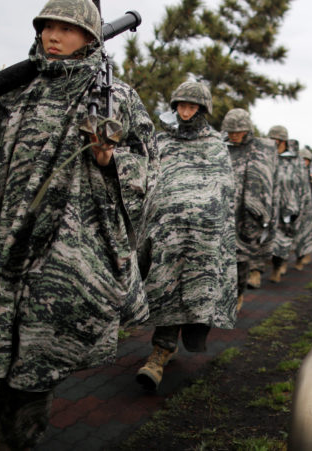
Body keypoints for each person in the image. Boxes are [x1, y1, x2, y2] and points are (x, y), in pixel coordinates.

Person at [0, 0, 156, 451]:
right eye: (46, 26)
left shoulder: (116, 98)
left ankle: (15, 441)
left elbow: (147, 167)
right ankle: (10, 436)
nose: (53, 36)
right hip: (3, 249)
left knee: (35, 364)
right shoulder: (15, 91)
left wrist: (108, 159)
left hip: (65, 255)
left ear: (91, 35)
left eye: (67, 28)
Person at [136, 80, 237, 391]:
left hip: (202, 238)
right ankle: (160, 350)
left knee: (194, 291)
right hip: (167, 234)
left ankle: (173, 345)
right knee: (165, 287)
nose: (185, 111)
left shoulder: (216, 147)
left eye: (192, 106)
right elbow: (150, 182)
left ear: (202, 110)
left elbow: (223, 191)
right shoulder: (162, 144)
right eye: (181, 105)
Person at [222, 108, 277, 311]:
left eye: (239, 131)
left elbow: (267, 181)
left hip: (246, 214)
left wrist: (260, 211)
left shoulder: (260, 150)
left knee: (241, 258)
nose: (234, 135)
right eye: (230, 131)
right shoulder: (218, 147)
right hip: (221, 210)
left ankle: (238, 294)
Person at [267, 126, 301, 283]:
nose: (275, 143)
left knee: (281, 240)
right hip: (266, 204)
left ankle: (277, 267)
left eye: (278, 140)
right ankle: (255, 272)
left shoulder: (294, 160)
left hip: (286, 206)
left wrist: (295, 206)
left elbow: (300, 185)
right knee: (259, 240)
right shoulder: (264, 156)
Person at [291, 145, 312, 270]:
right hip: (292, 209)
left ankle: (299, 259)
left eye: (306, 159)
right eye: (302, 159)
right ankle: (280, 265)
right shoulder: (292, 172)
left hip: (307, 211)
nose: (304, 162)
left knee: (304, 237)